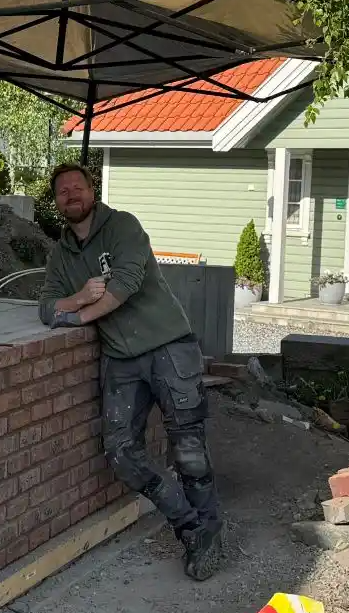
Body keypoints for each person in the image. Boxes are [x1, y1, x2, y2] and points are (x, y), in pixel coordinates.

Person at [37, 161, 224, 579]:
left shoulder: (123, 227)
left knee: (188, 448)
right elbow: (47, 307)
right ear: (56, 202)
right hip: (121, 358)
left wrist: (80, 315)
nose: (71, 195)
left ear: (93, 191)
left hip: (168, 346)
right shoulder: (60, 255)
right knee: (121, 452)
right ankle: (191, 527)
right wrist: (78, 296)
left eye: (78, 187)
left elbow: (125, 284)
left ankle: (210, 530)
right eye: (63, 191)